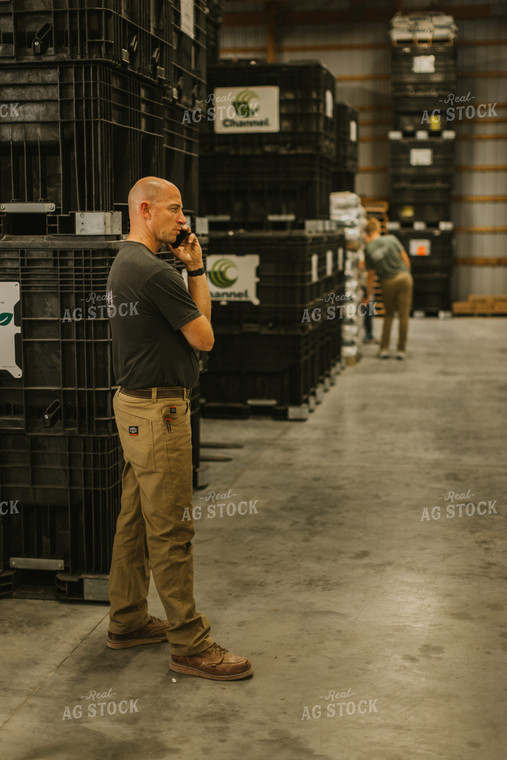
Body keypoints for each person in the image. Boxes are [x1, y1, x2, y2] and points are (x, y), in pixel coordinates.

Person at [105, 176, 253, 681]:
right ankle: (190, 643)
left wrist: (187, 265)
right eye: (174, 210)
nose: (183, 220)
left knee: (135, 520)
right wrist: (197, 269)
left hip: (132, 408)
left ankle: (126, 620)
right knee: (171, 528)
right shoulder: (154, 273)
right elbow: (205, 337)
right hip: (158, 413)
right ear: (145, 210)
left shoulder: (126, 263)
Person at [363, 217, 413, 359]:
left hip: (388, 282)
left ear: (367, 232)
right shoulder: (391, 239)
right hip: (404, 278)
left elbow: (370, 276)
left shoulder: (368, 249)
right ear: (378, 229)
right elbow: (405, 258)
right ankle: (401, 350)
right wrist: (407, 275)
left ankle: (384, 348)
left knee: (389, 315)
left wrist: (367, 296)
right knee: (404, 316)